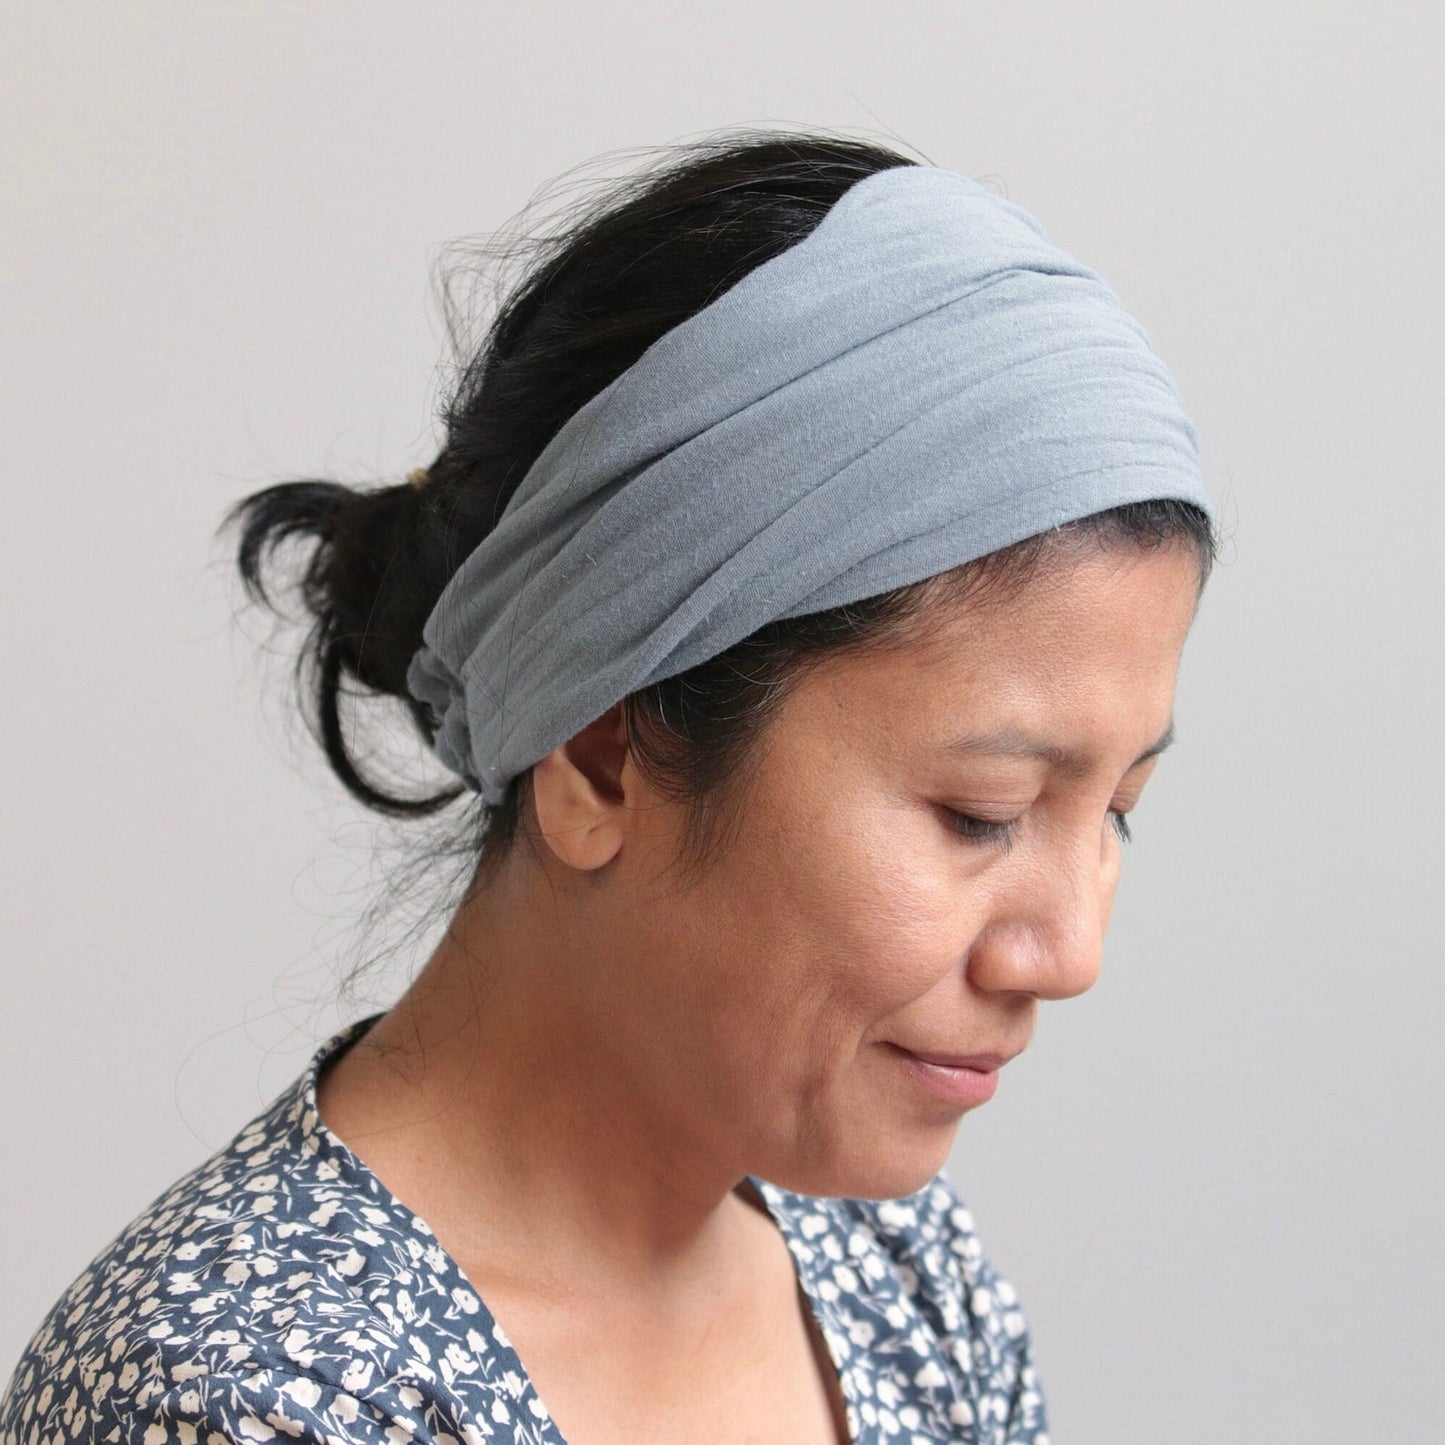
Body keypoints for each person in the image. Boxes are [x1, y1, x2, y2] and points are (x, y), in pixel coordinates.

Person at [1, 128, 1216, 1445]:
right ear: (598, 757)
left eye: (1116, 814)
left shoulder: (898, 1278)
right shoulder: (241, 1393)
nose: (1070, 950)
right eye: (979, 812)